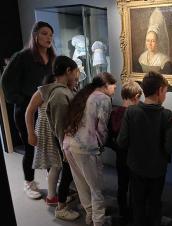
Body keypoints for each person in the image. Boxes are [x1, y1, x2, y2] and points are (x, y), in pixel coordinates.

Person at [1, 21, 56, 199]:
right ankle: (29, 182)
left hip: (46, 111)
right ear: (35, 36)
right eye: (44, 34)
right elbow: (6, 83)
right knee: (30, 146)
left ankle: (51, 179)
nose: (49, 38)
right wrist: (24, 100)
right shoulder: (22, 57)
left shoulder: (52, 57)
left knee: (49, 145)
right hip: (27, 111)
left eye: (51, 34)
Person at [117, 71, 172, 226]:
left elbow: (122, 142)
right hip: (157, 170)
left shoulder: (131, 112)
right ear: (159, 91)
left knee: (138, 203)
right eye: (165, 92)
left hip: (136, 167)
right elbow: (170, 147)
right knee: (155, 204)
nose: (165, 95)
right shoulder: (167, 115)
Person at [63, 72, 117, 226]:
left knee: (81, 185)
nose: (115, 89)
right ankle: (98, 221)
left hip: (69, 144)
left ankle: (90, 216)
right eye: (114, 86)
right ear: (106, 85)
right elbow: (102, 128)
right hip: (86, 147)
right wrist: (101, 144)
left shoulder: (85, 94)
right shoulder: (104, 99)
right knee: (96, 188)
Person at [41, 55, 80, 220]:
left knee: (71, 172)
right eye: (75, 72)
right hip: (66, 142)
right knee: (67, 173)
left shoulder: (65, 90)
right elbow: (59, 126)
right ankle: (61, 207)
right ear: (68, 71)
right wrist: (64, 148)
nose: (77, 75)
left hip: (70, 140)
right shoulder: (58, 95)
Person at [108, 80, 142, 224]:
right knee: (135, 186)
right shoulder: (136, 114)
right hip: (133, 157)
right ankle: (133, 213)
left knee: (122, 185)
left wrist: (118, 148)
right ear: (136, 96)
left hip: (120, 155)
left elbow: (110, 135)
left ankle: (123, 211)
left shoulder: (115, 112)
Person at [25, 74, 62, 206]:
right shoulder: (42, 91)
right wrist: (31, 134)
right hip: (46, 131)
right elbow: (29, 111)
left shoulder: (63, 90)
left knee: (56, 164)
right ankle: (51, 196)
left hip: (57, 131)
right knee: (55, 164)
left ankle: (55, 191)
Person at [137, 8, 172, 74]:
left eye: (153, 41)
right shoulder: (142, 57)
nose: (149, 44)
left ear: (157, 42)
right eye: (148, 40)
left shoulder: (164, 60)